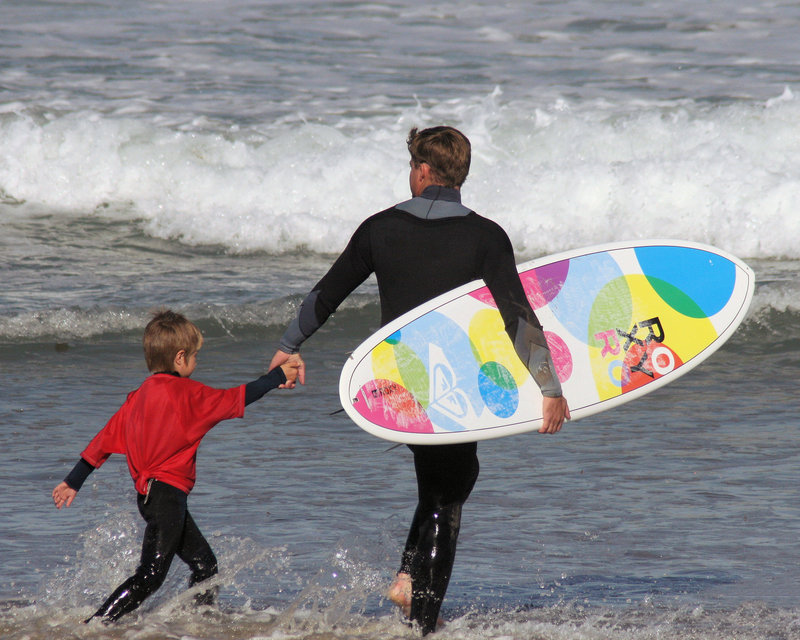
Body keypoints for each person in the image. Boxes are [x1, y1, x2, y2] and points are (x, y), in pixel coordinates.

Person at [268, 126, 570, 635]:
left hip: (398, 386)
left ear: (423, 171)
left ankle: (409, 579)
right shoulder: (486, 236)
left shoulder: (378, 229)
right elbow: (517, 318)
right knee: (447, 500)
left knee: (447, 483)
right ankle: (423, 625)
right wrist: (550, 388)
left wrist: (288, 345)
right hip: (457, 387)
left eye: (412, 165)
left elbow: (327, 294)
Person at [52, 309, 300, 624]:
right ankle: (94, 626)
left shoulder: (137, 397)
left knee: (205, 565)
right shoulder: (185, 393)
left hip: (152, 498)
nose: (197, 361)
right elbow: (235, 398)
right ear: (180, 358)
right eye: (195, 355)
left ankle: (198, 623)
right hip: (167, 497)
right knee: (150, 576)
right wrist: (277, 377)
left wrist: (73, 481)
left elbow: (102, 441)